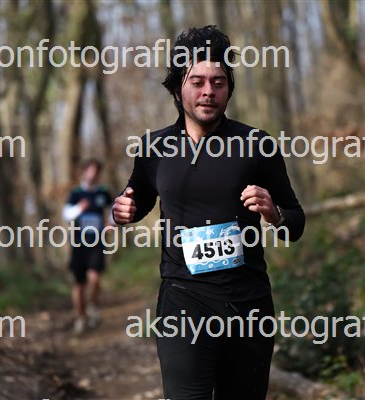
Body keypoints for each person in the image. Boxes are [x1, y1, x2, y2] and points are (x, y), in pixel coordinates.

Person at [112, 26, 305, 399]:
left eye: (218, 82)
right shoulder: (154, 149)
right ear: (177, 88)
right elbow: (137, 199)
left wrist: (275, 214)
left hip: (248, 306)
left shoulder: (256, 144)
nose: (208, 91)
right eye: (197, 81)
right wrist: (124, 210)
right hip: (183, 302)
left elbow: (295, 223)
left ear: (229, 89)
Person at [63, 159, 112, 334]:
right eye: (90, 171)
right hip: (79, 244)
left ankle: (92, 306)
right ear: (85, 172)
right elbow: (66, 215)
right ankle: (80, 317)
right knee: (79, 284)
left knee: (95, 278)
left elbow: (113, 210)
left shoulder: (103, 192)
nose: (93, 174)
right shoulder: (76, 193)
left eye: (96, 171)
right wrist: (79, 208)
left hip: (97, 242)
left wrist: (111, 224)